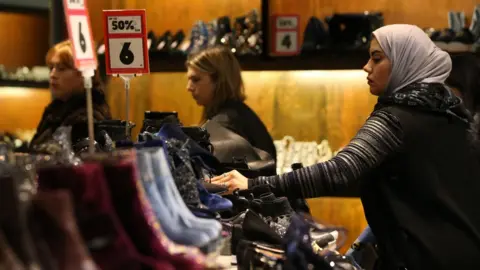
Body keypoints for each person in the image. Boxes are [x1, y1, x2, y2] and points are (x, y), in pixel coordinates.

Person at [212, 24, 480, 269]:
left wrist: (254, 185)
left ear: (404, 62)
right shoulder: (450, 114)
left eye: (377, 58)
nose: (366, 67)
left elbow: (339, 171)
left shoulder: (395, 118)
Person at [185, 46, 277, 161]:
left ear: (219, 80)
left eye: (196, 79)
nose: (188, 87)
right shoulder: (239, 114)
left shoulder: (226, 124)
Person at [30, 40, 111, 150]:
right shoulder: (54, 111)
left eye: (61, 69)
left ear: (83, 75)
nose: (53, 74)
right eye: (51, 68)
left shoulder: (88, 119)